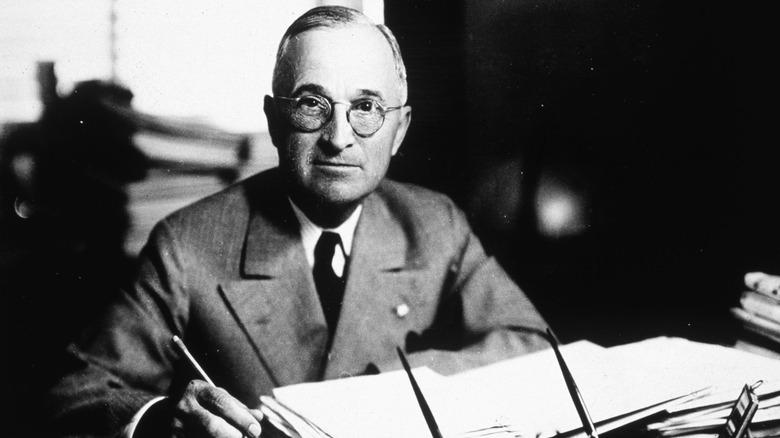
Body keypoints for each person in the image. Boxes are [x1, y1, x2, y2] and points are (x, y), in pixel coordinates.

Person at [44, 6, 549, 438]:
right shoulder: (186, 245)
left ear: (399, 130)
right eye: (312, 104)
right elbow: (75, 394)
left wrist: (398, 386)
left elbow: (531, 344)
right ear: (273, 120)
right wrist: (160, 420)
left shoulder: (434, 223)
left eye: (367, 107)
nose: (338, 137)